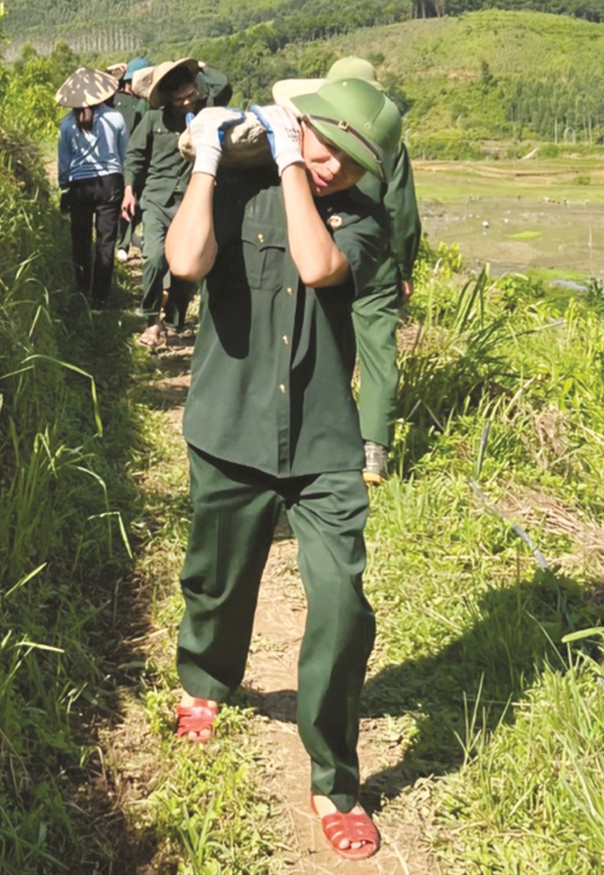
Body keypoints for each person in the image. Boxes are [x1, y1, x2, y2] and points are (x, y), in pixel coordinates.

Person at [163, 76, 404, 861]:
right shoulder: (237, 187)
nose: (337, 166)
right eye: (329, 143)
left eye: (354, 162)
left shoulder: (366, 223)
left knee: (341, 602)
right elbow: (185, 258)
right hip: (230, 424)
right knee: (219, 576)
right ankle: (205, 678)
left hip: (323, 444)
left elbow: (314, 263)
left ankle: (334, 779)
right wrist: (206, 158)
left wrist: (295, 162)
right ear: (311, 123)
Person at [324, 57, 422, 485]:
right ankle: (373, 453)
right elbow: (401, 210)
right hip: (378, 261)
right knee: (379, 354)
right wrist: (405, 266)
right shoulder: (387, 141)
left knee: (329, 344)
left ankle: (327, 436)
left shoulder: (316, 127)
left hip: (326, 253)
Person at [124, 58, 203, 348]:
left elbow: (224, 86)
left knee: (184, 265)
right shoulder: (152, 121)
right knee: (155, 258)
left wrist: (202, 68)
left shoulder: (202, 118)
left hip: (189, 201)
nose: (186, 103)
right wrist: (129, 189)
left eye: (190, 96)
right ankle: (150, 320)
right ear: (168, 98)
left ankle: (174, 324)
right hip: (156, 199)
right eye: (179, 98)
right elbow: (134, 156)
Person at [55, 66, 128, 308]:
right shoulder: (116, 118)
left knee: (81, 238)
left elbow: (64, 163)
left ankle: (82, 287)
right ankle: (100, 297)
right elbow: (123, 155)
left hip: (80, 186)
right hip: (110, 183)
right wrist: (126, 184)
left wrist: (64, 185)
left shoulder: (66, 125)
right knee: (106, 241)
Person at [113, 57, 152, 262]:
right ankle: (124, 243)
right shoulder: (116, 99)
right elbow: (96, 90)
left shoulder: (147, 103)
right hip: (121, 159)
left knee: (141, 201)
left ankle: (132, 239)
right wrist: (111, 71)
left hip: (143, 159)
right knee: (125, 202)